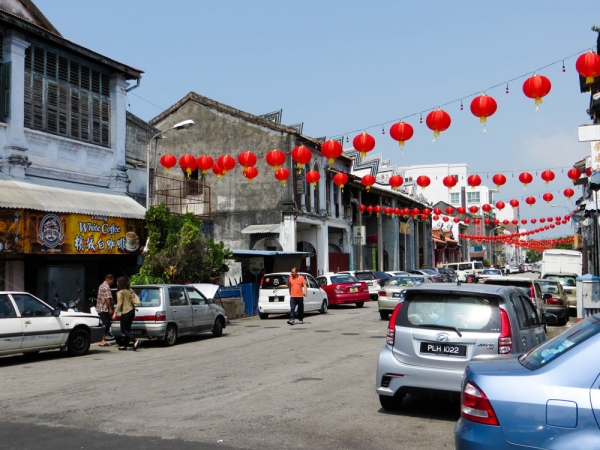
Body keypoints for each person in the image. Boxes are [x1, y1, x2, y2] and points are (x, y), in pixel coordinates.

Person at [112, 276, 141, 351]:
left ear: (120, 283)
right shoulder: (129, 290)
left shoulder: (120, 292)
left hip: (126, 312)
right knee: (127, 329)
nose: (117, 283)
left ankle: (135, 340)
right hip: (132, 311)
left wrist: (115, 312)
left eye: (117, 282)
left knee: (123, 330)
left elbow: (119, 303)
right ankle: (124, 345)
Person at [96, 274, 114, 347]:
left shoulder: (101, 285)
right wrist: (110, 309)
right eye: (112, 281)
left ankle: (102, 340)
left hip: (100, 308)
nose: (112, 283)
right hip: (104, 309)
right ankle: (102, 340)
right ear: (108, 280)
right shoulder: (106, 287)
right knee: (105, 324)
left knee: (103, 324)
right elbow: (107, 299)